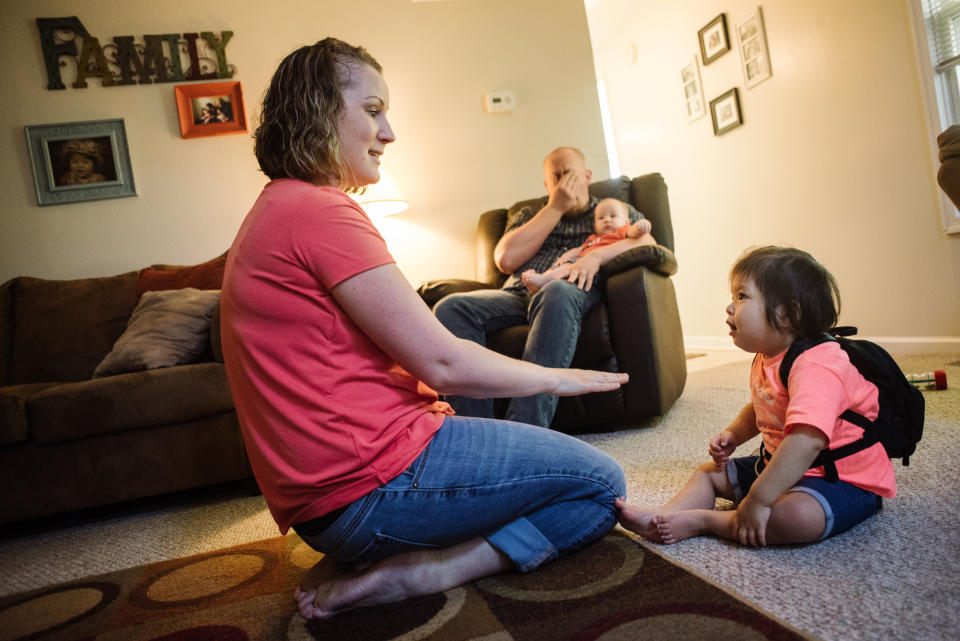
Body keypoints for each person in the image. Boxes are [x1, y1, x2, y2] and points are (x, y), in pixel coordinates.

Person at [219, 38, 629, 621]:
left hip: (327, 508)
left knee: (549, 470)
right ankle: (428, 570)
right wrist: (558, 378)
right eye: (372, 110)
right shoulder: (318, 212)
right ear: (317, 108)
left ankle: (374, 553)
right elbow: (442, 363)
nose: (389, 132)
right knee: (601, 486)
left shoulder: (277, 209)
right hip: (371, 485)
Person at [617, 246, 895, 547]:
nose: (729, 307)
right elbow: (763, 405)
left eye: (741, 296)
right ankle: (665, 516)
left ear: (787, 313)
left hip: (842, 477)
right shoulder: (769, 356)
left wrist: (759, 499)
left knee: (798, 518)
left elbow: (806, 440)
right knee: (709, 473)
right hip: (781, 465)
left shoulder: (818, 366)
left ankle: (705, 521)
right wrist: (735, 434)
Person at [433, 147, 649, 428]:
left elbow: (646, 242)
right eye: (555, 177)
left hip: (569, 290)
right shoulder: (529, 213)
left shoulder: (609, 210)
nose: (562, 183)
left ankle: (527, 430)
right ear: (547, 185)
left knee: (555, 291)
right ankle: (475, 430)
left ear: (586, 176)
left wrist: (595, 256)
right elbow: (505, 259)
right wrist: (555, 207)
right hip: (516, 295)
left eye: (569, 174)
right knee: (450, 307)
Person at [521, 197, 655, 294]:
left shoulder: (622, 231)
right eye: (601, 218)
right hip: (577, 261)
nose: (607, 219)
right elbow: (578, 250)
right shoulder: (593, 238)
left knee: (568, 267)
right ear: (595, 225)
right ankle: (539, 280)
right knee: (560, 266)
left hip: (591, 269)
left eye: (613, 216)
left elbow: (634, 233)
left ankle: (543, 280)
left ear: (627, 221)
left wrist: (640, 226)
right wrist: (563, 257)